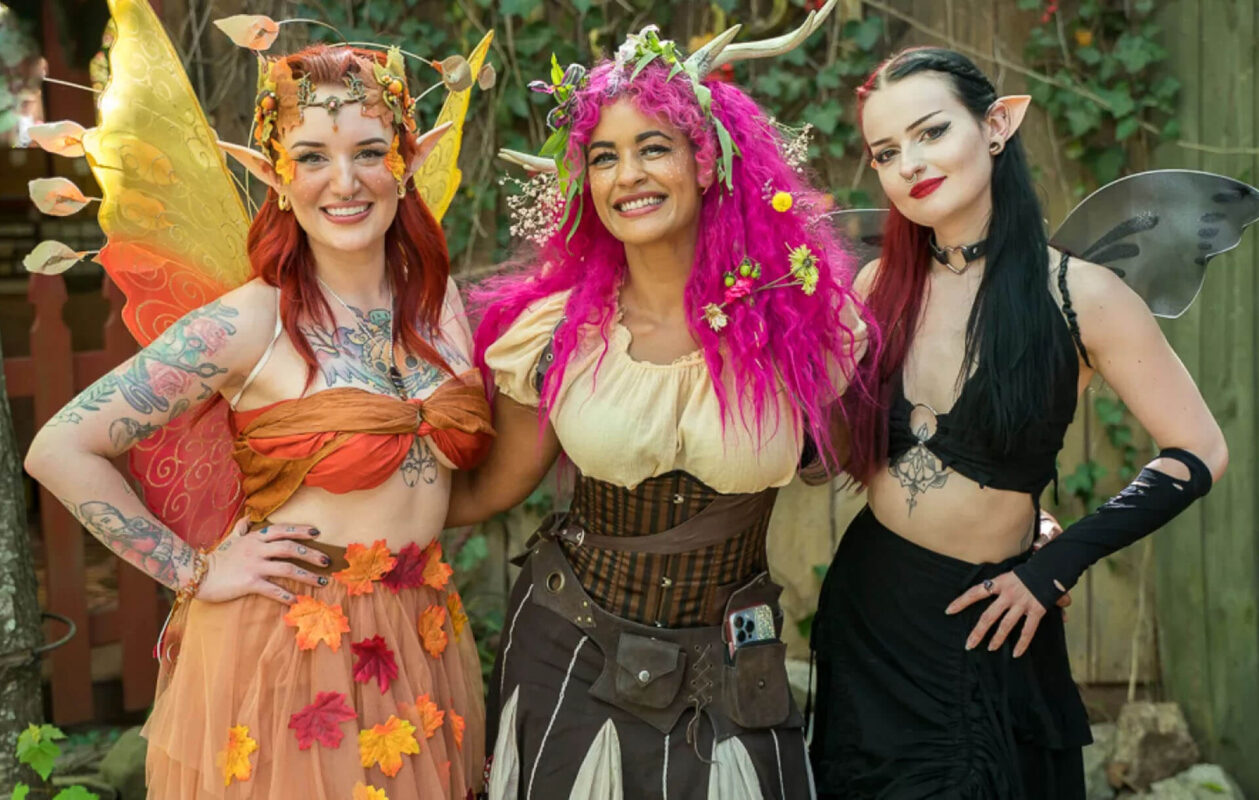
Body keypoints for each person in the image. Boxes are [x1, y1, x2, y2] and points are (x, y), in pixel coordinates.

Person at [25, 41, 492, 798]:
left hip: (418, 630)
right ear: (275, 175)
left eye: (369, 150)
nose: (344, 183)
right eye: (311, 156)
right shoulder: (253, 322)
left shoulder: (434, 302)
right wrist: (196, 570)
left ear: (407, 161)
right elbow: (60, 446)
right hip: (295, 649)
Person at [442, 9, 869, 798]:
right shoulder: (554, 335)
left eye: (652, 148)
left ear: (706, 162)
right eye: (603, 157)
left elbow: (871, 453)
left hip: (735, 666)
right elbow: (490, 490)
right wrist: (349, 533)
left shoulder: (802, 325)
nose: (626, 175)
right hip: (570, 654)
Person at [809, 47, 1228, 799]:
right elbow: (823, 454)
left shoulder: (1081, 295)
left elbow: (1198, 449)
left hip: (994, 619)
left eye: (931, 132)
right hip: (871, 615)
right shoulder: (875, 287)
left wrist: (1048, 570)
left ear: (996, 124)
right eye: (885, 152)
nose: (909, 163)